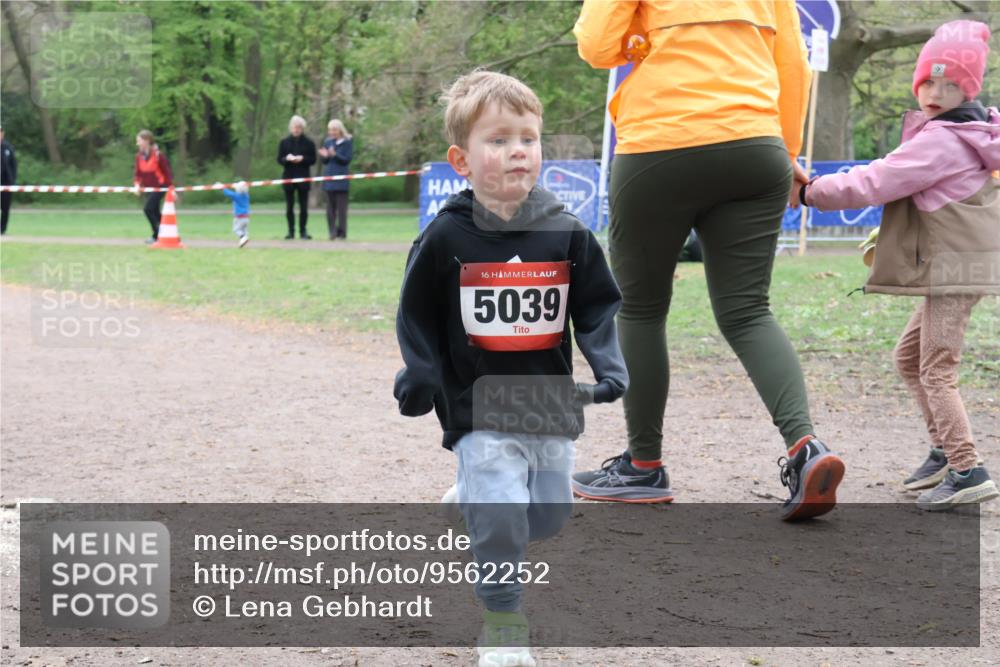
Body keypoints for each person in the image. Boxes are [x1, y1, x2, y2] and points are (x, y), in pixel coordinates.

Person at [572, 0, 844, 520]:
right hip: (756, 146)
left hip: (660, 143)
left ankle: (643, 466)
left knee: (640, 308)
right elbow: (794, 66)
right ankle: (805, 447)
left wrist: (639, 38)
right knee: (747, 311)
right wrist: (787, 152)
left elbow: (596, 45)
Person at [393, 70, 628, 667]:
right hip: (478, 406)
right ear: (461, 160)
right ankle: (502, 623)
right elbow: (414, 312)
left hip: (549, 404)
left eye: (528, 137)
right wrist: (420, 372)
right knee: (502, 516)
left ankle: (469, 500)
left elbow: (597, 306)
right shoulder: (447, 234)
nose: (517, 149)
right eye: (497, 139)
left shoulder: (567, 232)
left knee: (545, 516)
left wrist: (607, 362)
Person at [800, 21, 998, 511]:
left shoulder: (944, 140)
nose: (935, 92)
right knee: (909, 359)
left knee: (936, 370)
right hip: (954, 263)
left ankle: (968, 468)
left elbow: (877, 180)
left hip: (956, 268)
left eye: (950, 84)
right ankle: (943, 451)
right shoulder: (956, 132)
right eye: (928, 82)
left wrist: (810, 193)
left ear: (968, 89)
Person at [276, 115, 317, 239]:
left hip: (303, 178)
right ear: (291, 128)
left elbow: (313, 159)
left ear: (302, 128)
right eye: (295, 127)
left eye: (299, 127)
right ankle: (291, 231)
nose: (297, 129)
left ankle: (303, 231)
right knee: (289, 207)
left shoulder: (309, 143)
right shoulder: (284, 142)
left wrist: (302, 159)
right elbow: (279, 159)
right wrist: (287, 159)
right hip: (289, 177)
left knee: (303, 207)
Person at [133, 130, 173, 244]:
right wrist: (136, 184)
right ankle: (169, 233)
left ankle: (157, 235)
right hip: (148, 188)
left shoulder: (158, 155)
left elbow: (167, 173)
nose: (137, 144)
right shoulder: (138, 156)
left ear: (147, 141)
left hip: (160, 187)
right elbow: (138, 173)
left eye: (139, 141)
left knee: (148, 209)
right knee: (155, 212)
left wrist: (171, 188)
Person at [319, 119, 353, 240]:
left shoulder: (347, 142)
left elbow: (347, 160)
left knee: (341, 208)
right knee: (330, 209)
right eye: (330, 130)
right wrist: (325, 156)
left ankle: (342, 232)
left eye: (334, 129)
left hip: (342, 179)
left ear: (340, 130)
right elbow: (325, 161)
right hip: (329, 179)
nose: (331, 132)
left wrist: (335, 155)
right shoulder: (328, 142)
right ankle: (332, 232)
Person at [221, 181, 251, 248]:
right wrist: (236, 186)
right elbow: (241, 189)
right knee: (244, 229)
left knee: (236, 229)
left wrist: (222, 188)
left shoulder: (236, 196)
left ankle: (243, 238)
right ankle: (243, 240)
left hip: (239, 217)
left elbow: (229, 193)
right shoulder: (246, 195)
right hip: (246, 217)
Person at [0, 127, 15, 235]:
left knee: (5, 207)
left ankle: (2, 229)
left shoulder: (8, 147)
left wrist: (12, 179)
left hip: (6, 183)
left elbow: (14, 165)